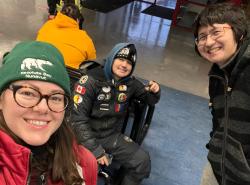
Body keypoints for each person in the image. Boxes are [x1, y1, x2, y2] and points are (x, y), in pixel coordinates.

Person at [0, 41, 97, 185]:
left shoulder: (84, 163)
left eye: (56, 97)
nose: (43, 108)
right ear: (1, 100)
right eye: (28, 93)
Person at [71, 42, 160, 185]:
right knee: (84, 175)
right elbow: (77, 121)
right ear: (112, 58)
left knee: (142, 162)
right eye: (120, 59)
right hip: (82, 137)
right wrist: (96, 150)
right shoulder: (90, 80)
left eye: (129, 62)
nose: (124, 65)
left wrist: (155, 90)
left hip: (110, 136)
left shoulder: (130, 83)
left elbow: (149, 99)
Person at [193, 3, 250, 185]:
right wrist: (215, 146)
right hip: (219, 166)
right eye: (202, 37)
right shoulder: (217, 74)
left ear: (238, 32)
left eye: (216, 32)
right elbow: (218, 121)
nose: (208, 42)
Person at [37, 3, 96, 69]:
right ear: (77, 20)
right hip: (70, 77)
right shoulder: (85, 39)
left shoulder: (47, 26)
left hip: (43, 69)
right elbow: (92, 62)